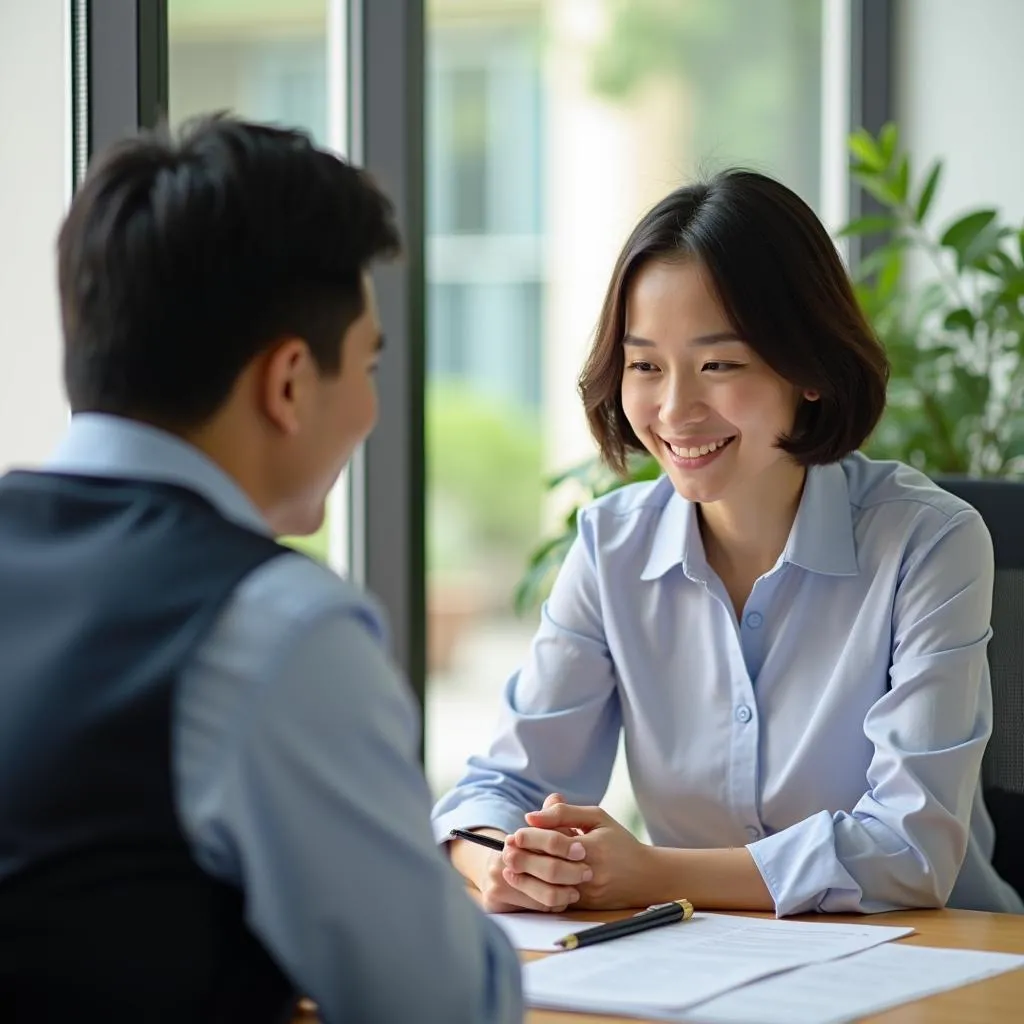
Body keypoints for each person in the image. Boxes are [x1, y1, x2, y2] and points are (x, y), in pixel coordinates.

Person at [0, 115, 522, 1023]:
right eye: (366, 364)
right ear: (287, 384)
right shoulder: (273, 631)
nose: (368, 409)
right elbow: (446, 1005)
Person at [432, 169, 1024, 920]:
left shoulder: (927, 543)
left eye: (719, 364)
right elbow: (498, 790)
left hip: (942, 965)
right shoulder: (612, 549)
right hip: (704, 971)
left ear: (808, 367)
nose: (675, 409)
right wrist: (503, 863)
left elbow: (911, 852)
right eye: (645, 365)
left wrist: (651, 873)